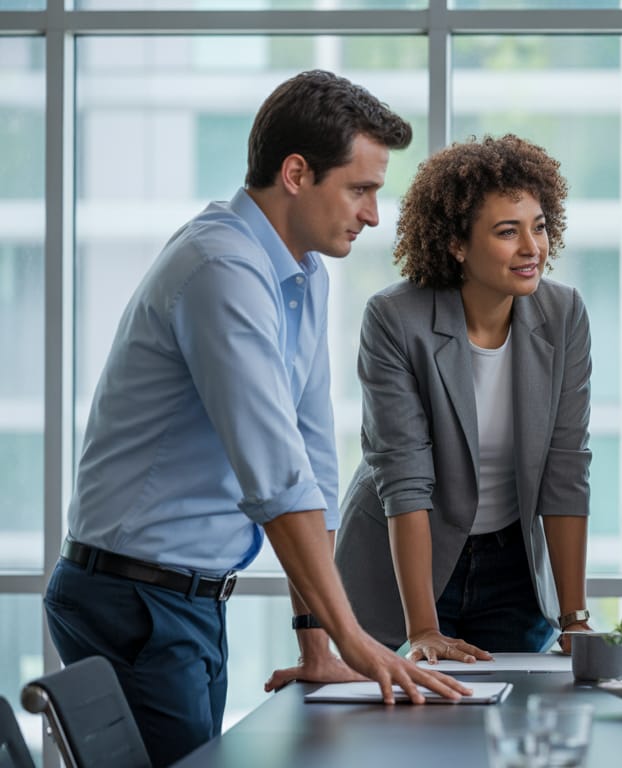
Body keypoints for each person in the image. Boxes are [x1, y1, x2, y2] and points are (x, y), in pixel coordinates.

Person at [43, 70, 470, 767]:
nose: (372, 214)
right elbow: (273, 478)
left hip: (187, 600)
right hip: (131, 600)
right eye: (359, 189)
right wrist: (357, 640)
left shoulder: (303, 274)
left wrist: (318, 645)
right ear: (296, 173)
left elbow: (309, 462)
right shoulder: (220, 268)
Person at [334, 134, 593, 663]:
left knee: (509, 726)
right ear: (457, 244)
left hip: (512, 569)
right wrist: (424, 629)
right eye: (507, 232)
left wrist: (575, 618)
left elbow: (566, 470)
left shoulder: (563, 314)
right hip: (403, 564)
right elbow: (405, 481)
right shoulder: (394, 319)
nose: (532, 248)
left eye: (539, 227)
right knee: (400, 732)